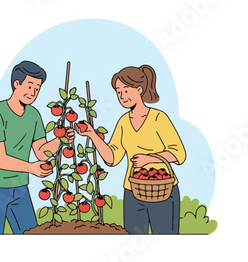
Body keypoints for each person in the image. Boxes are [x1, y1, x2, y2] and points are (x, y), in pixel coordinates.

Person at [76, 65, 186, 234]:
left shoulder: (158, 118)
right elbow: (112, 158)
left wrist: (149, 159)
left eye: (126, 90)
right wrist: (91, 134)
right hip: (133, 191)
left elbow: (179, 154)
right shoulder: (123, 122)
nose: (122, 96)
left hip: (163, 191)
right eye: (118, 92)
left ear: (139, 89)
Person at [0, 60, 74, 234]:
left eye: (37, 88)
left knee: (31, 236)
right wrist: (31, 168)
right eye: (29, 86)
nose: (33, 93)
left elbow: (41, 152)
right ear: (16, 84)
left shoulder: (33, 115)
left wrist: (60, 139)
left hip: (19, 187)